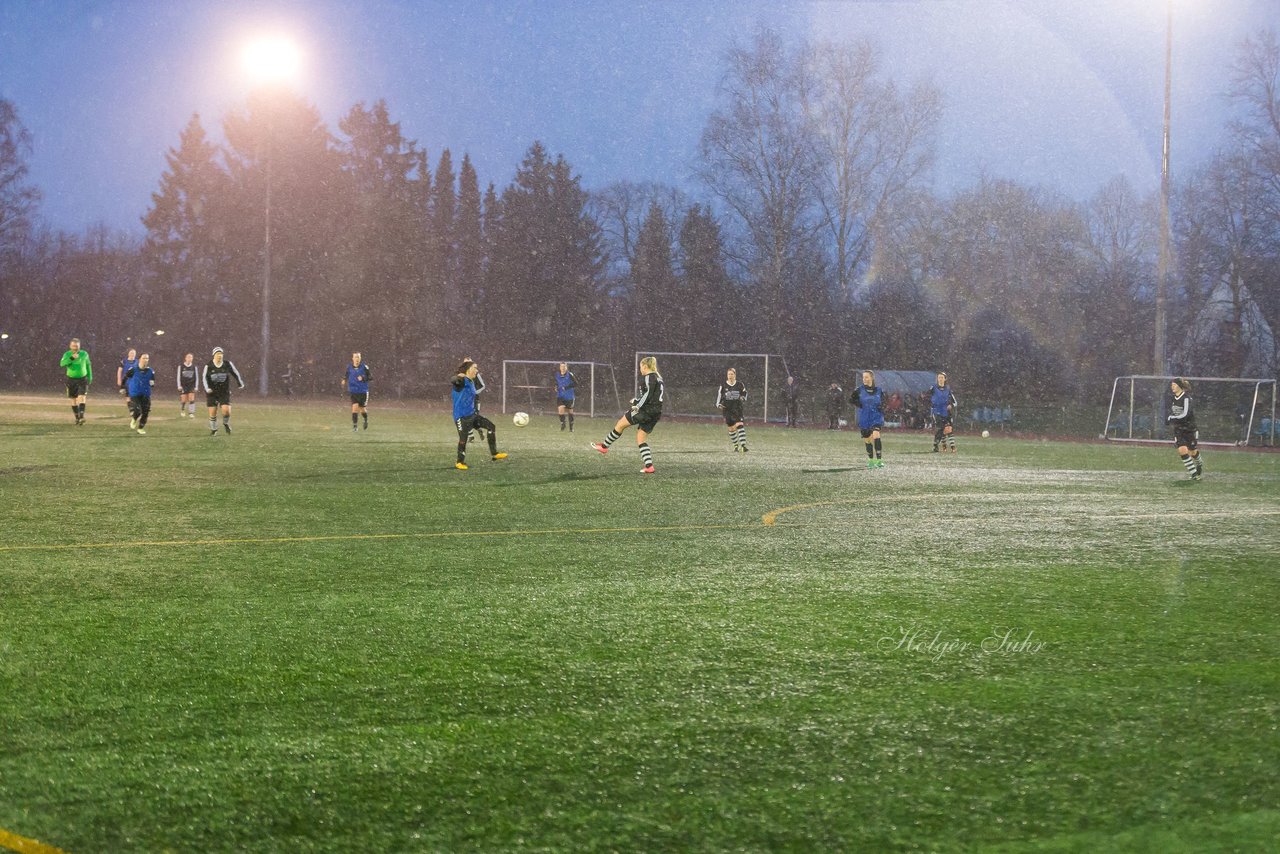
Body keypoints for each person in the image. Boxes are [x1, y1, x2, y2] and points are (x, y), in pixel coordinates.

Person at [591, 356, 663, 474]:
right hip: (655, 413)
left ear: (645, 366)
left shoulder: (649, 376)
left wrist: (637, 405)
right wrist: (636, 400)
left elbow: (648, 394)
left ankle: (604, 447)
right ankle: (649, 466)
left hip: (645, 411)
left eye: (640, 367)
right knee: (641, 438)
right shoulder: (658, 378)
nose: (640, 369)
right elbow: (650, 395)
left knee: (620, 425)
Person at [451, 360, 507, 470]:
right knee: (463, 438)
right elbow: (453, 381)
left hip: (472, 415)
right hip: (461, 417)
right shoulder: (462, 381)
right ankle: (459, 462)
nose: (477, 370)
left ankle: (494, 454)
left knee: (491, 426)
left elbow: (479, 388)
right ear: (468, 370)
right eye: (475, 368)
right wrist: (458, 376)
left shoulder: (471, 381)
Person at [1167, 377, 1204, 481]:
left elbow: (1185, 414)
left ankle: (1199, 463)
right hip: (1179, 429)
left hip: (1189, 429)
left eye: (1174, 384)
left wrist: (1172, 418)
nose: (1172, 386)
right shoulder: (1173, 398)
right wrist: (1170, 418)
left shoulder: (1187, 398)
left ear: (1180, 386)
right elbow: (1174, 412)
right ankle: (1194, 475)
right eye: (1171, 385)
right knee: (1182, 450)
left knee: (1192, 452)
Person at [203, 346, 245, 436]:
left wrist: (239, 383)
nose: (220, 356)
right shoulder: (209, 365)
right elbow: (204, 378)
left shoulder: (227, 364)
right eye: (218, 354)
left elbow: (235, 373)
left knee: (226, 411)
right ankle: (214, 430)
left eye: (221, 354)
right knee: (213, 413)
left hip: (224, 391)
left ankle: (226, 423)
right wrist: (207, 388)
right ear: (213, 355)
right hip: (212, 392)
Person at [850, 370, 886, 469]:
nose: (864, 379)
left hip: (876, 416)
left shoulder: (879, 390)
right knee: (868, 440)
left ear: (872, 378)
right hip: (865, 417)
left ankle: (879, 460)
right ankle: (870, 460)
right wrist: (859, 404)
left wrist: (882, 407)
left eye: (866, 377)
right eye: (863, 377)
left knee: (876, 435)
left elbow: (884, 402)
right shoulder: (859, 390)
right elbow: (851, 399)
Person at [59, 337, 92, 425]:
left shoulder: (84, 354)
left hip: (82, 379)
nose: (75, 348)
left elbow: (88, 365)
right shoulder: (67, 354)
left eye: (76, 346)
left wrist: (90, 376)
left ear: (79, 346)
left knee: (82, 397)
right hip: (71, 379)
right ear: (70, 346)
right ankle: (77, 417)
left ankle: (81, 417)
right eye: (73, 346)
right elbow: (62, 364)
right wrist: (72, 358)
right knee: (73, 399)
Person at [716, 367, 749, 452]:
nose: (730, 376)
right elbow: (719, 395)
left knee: (740, 424)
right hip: (727, 409)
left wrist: (743, 398)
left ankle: (743, 446)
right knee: (731, 428)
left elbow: (745, 393)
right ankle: (736, 446)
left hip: (737, 408)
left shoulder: (739, 384)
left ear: (735, 375)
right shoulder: (723, 385)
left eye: (731, 374)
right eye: (728, 374)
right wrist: (718, 404)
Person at [124, 353, 156, 434]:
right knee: (138, 410)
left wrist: (152, 383)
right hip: (135, 393)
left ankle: (140, 428)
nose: (146, 360)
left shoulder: (150, 371)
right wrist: (122, 388)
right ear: (139, 359)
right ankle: (134, 419)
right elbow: (125, 378)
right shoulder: (133, 369)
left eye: (147, 358)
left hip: (146, 393)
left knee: (145, 412)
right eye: (144, 358)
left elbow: (152, 381)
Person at [930, 372, 959, 453]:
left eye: (942, 377)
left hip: (946, 412)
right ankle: (936, 445)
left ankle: (949, 447)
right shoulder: (933, 388)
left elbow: (954, 402)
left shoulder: (948, 389)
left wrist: (950, 405)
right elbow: (927, 398)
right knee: (940, 428)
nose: (940, 379)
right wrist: (932, 405)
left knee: (948, 428)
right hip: (936, 411)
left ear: (945, 379)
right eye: (939, 377)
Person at [345, 352, 372, 433]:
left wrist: (363, 378)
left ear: (360, 359)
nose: (357, 359)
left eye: (358, 357)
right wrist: (344, 379)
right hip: (353, 391)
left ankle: (365, 419)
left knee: (362, 409)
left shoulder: (364, 367)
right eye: (355, 357)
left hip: (363, 392)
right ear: (352, 358)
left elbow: (370, 377)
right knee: (354, 408)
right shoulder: (349, 367)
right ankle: (355, 426)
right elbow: (346, 375)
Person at [117, 347, 138, 423]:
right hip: (126, 382)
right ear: (128, 353)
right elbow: (119, 371)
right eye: (131, 353)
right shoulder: (124, 361)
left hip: (135, 382)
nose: (133, 354)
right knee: (128, 396)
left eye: (134, 353)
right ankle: (131, 411)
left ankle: (136, 409)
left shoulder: (137, 362)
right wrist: (119, 379)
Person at [554, 362, 577, 432]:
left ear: (566, 367)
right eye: (561, 366)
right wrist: (555, 387)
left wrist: (566, 387)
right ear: (560, 367)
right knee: (560, 409)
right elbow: (556, 382)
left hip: (569, 396)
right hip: (560, 395)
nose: (563, 368)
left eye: (564, 367)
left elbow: (576, 383)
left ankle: (571, 427)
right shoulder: (557, 374)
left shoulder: (570, 374)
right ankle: (563, 424)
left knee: (570, 411)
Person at [177, 353, 199, 417]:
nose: (190, 359)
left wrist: (196, 386)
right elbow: (178, 377)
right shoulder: (181, 366)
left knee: (191, 398)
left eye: (191, 357)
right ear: (185, 358)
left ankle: (191, 413)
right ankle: (183, 410)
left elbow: (197, 377)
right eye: (188, 357)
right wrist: (179, 385)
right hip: (183, 385)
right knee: (183, 399)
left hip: (191, 385)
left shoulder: (194, 367)